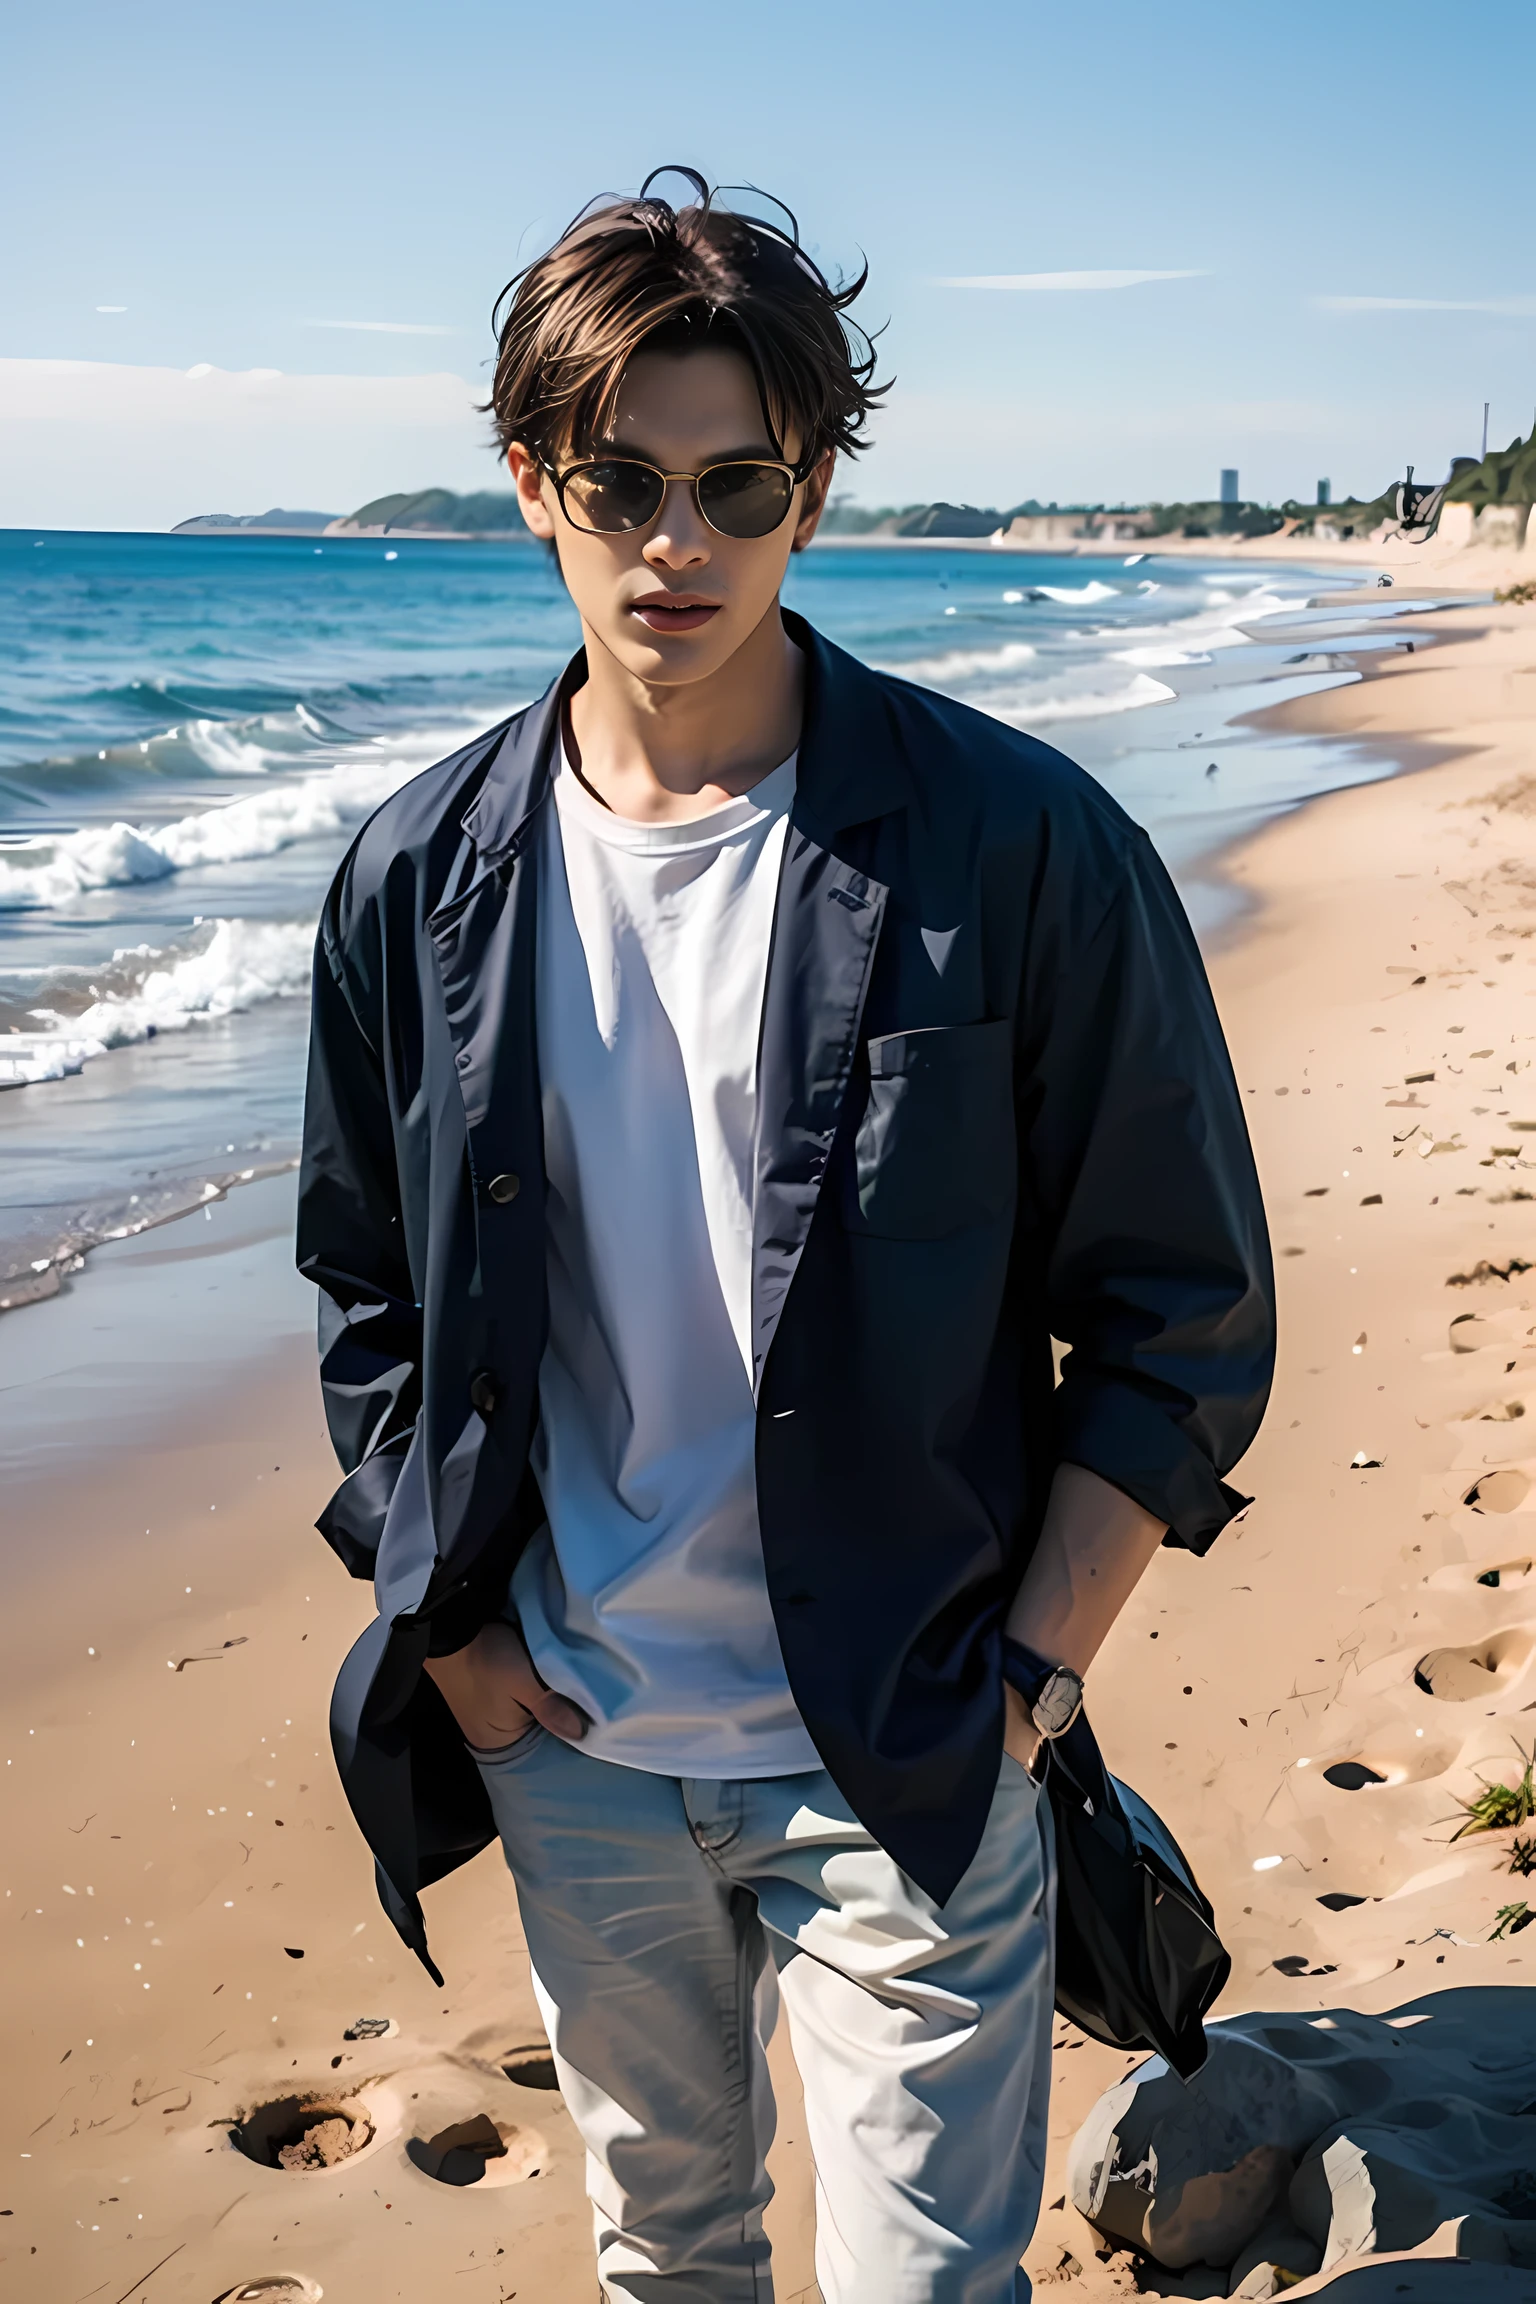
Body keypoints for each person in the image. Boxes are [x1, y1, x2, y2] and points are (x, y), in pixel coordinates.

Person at [297, 167, 1274, 2304]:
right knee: (673, 2253)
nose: (679, 542)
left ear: (811, 488)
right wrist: (457, 1645)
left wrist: (1029, 1671)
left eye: (739, 481)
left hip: (913, 1736)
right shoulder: (412, 881)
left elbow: (1185, 1306)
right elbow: (367, 1290)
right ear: (530, 478)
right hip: (570, 1733)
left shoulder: (1022, 849)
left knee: (929, 2285)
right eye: (619, 479)